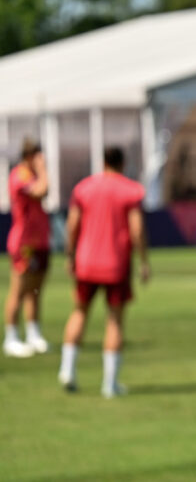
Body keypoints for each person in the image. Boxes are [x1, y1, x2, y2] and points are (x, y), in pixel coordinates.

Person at [58, 147, 149, 397]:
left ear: (103, 162)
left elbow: (72, 224)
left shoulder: (84, 188)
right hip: (116, 264)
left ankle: (68, 369)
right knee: (115, 321)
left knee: (79, 313)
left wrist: (70, 255)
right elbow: (137, 229)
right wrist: (143, 260)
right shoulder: (130, 190)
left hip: (86, 262)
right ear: (122, 163)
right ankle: (110, 384)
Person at [4, 138, 51, 358]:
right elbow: (42, 191)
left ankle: (33, 333)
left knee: (35, 290)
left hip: (39, 239)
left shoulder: (32, 174)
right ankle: (11, 337)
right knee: (19, 290)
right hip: (23, 242)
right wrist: (43, 170)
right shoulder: (21, 175)